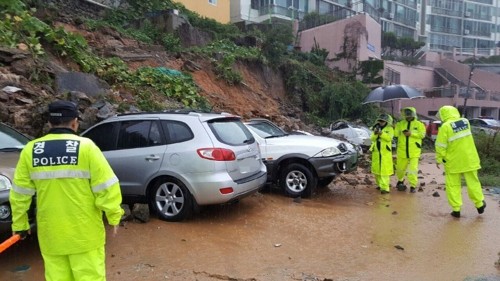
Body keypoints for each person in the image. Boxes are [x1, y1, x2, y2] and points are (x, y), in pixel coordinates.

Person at [10, 100, 124, 280]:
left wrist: (20, 224)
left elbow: (19, 194)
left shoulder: (31, 150)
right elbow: (107, 187)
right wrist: (114, 216)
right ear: (74, 123)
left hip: (52, 236)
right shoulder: (86, 147)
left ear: (50, 123)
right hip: (85, 235)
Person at [435, 105, 486, 218]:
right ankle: (480, 204)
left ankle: (456, 209)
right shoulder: (465, 122)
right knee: (473, 182)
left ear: (444, 115)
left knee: (453, 185)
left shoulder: (445, 127)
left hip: (453, 161)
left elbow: (440, 145)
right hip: (469, 159)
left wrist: (439, 159)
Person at [394, 107, 426, 193]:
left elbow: (422, 135)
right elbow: (396, 134)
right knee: (400, 168)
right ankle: (400, 180)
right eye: (406, 115)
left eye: (409, 115)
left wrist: (411, 134)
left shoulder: (419, 124)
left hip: (414, 151)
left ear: (413, 114)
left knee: (412, 169)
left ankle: (413, 185)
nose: (408, 116)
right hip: (402, 150)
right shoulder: (400, 124)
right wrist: (395, 127)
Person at [370, 113, 394, 194]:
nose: (381, 122)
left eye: (382, 121)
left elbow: (389, 138)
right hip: (376, 152)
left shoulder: (390, 129)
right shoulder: (376, 127)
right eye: (380, 121)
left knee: (384, 171)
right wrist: (376, 134)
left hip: (385, 153)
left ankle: (385, 188)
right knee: (377, 171)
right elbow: (372, 138)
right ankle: (379, 185)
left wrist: (381, 134)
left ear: (386, 122)